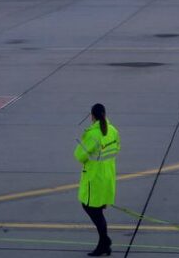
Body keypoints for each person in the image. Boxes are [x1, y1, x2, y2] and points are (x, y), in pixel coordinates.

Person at [74, 103, 120, 256]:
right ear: (105, 114)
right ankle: (104, 242)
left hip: (94, 178)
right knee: (97, 210)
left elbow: (79, 156)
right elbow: (117, 148)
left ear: (92, 116)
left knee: (90, 208)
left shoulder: (93, 135)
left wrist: (83, 139)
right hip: (107, 176)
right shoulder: (113, 130)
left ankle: (104, 241)